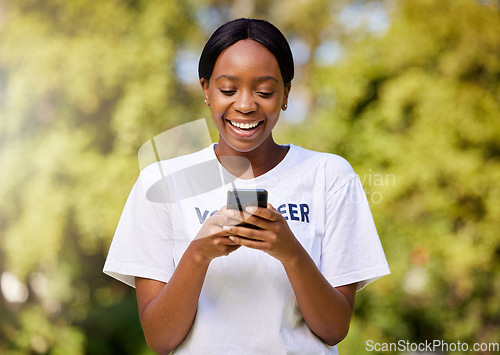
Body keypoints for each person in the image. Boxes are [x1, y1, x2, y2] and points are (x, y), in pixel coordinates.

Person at [103, 18, 390, 354]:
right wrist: (199, 253)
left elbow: (334, 328)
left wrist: (290, 252)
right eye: (228, 89)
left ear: (286, 94)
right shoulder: (160, 182)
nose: (245, 105)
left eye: (265, 91)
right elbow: (160, 339)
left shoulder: (330, 176)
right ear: (206, 90)